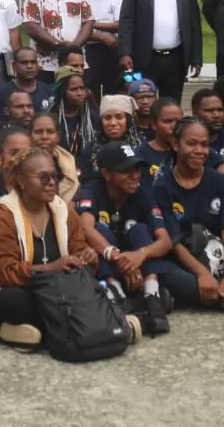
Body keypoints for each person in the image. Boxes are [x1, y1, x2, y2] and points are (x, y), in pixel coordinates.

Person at [0, 147, 128, 348]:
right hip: (18, 289)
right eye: (43, 178)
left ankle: (32, 333)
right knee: (12, 301)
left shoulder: (64, 211)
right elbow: (1, 274)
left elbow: (78, 253)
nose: (52, 183)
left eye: (54, 177)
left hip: (58, 290)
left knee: (100, 288)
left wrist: (87, 257)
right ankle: (101, 326)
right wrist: (50, 268)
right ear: (22, 181)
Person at [154, 119, 224, 310]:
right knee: (171, 277)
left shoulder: (219, 181)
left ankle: (217, 294)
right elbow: (174, 243)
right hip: (185, 264)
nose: (199, 150)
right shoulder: (162, 187)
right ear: (175, 144)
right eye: (191, 144)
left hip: (220, 258)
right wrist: (202, 274)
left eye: (204, 144)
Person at [74, 142, 174, 332]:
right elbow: (85, 227)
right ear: (106, 174)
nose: (134, 176)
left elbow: (165, 241)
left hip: (138, 268)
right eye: (126, 170)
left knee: (140, 230)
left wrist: (140, 255)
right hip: (110, 268)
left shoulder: (142, 193)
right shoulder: (92, 190)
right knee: (99, 230)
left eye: (137, 169)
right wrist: (117, 257)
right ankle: (118, 298)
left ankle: (152, 297)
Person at [120, 0, 202, 99]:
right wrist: (125, 53)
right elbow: (126, 21)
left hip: (176, 60)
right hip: (144, 59)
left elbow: (194, 26)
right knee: (142, 101)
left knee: (171, 105)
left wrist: (196, 58)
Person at [23, 0, 92, 73]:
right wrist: (58, 45)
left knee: (76, 91)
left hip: (76, 64)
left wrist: (74, 48)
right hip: (45, 65)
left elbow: (88, 23)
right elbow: (31, 27)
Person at [82, 0, 124, 96]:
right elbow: (77, 29)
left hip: (112, 48)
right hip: (89, 49)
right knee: (90, 89)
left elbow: (119, 25)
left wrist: (92, 23)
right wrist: (100, 36)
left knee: (112, 90)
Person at [25, 112, 79, 204]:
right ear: (29, 136)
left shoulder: (68, 164)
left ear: (58, 136)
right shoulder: (21, 163)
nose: (44, 137)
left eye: (50, 132)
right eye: (38, 132)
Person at [50, 69, 99, 163]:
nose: (80, 93)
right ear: (63, 91)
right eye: (74, 89)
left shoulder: (94, 118)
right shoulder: (51, 118)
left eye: (82, 88)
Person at [131, 98, 182, 182]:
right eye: (168, 121)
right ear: (154, 124)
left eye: (179, 122)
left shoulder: (187, 152)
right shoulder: (140, 155)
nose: (175, 127)